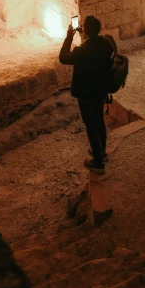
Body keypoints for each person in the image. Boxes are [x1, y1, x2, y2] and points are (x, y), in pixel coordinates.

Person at [59, 15, 114, 174]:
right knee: (99, 121)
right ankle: (102, 152)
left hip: (86, 94)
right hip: (100, 91)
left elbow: (63, 57)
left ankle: (98, 163)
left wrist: (69, 36)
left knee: (90, 126)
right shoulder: (106, 44)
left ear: (85, 31)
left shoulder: (81, 52)